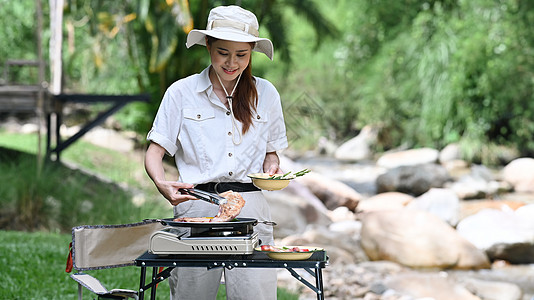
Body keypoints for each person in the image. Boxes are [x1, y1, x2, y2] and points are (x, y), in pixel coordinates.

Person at [144, 5, 288, 300]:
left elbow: (272, 154)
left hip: (252, 213)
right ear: (208, 45)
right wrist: (162, 184)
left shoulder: (267, 94)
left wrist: (272, 167)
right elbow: (154, 153)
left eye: (241, 55)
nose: (232, 62)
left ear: (251, 53)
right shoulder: (180, 93)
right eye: (223, 52)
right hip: (196, 210)